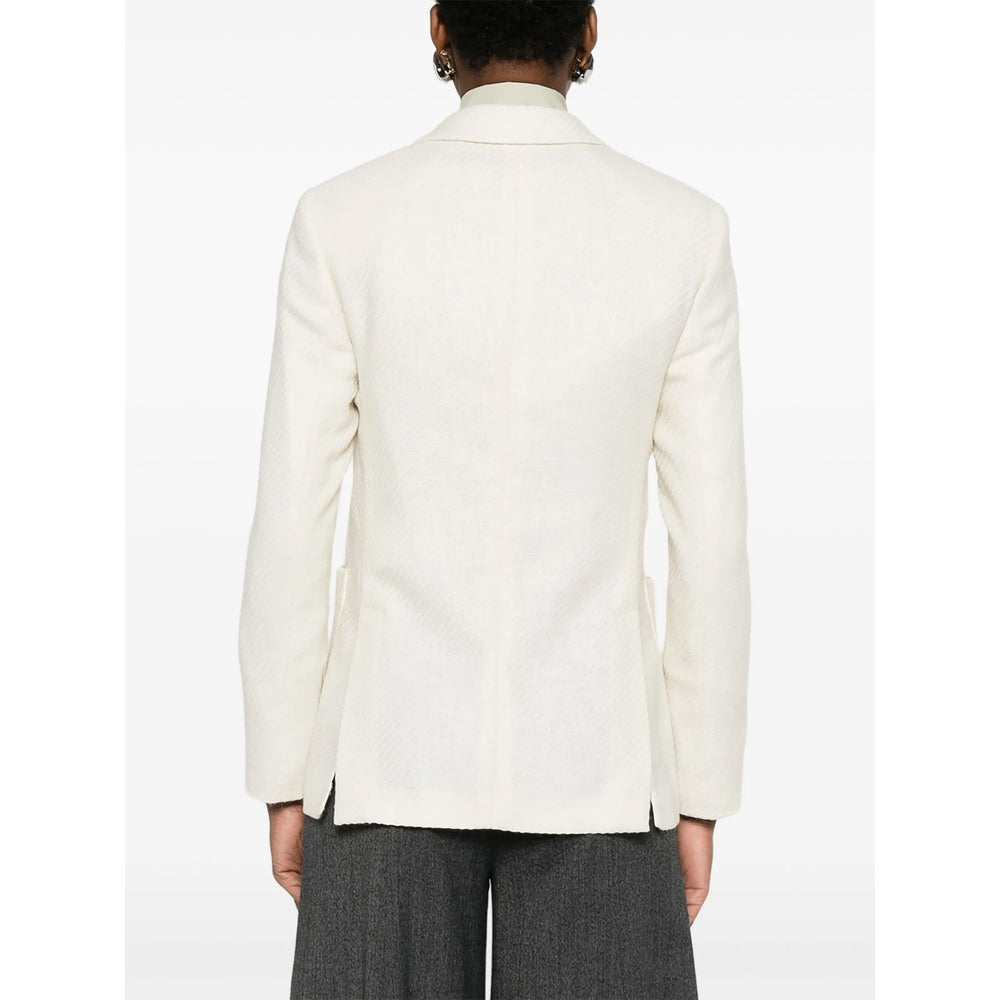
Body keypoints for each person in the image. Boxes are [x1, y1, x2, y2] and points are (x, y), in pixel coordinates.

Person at [237, 2, 751, 997]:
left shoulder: (342, 219)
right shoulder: (683, 231)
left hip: (381, 761)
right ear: (588, 31)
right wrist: (701, 790)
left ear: (438, 27)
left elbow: (292, 513)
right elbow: (712, 538)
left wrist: (282, 771)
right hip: (603, 769)